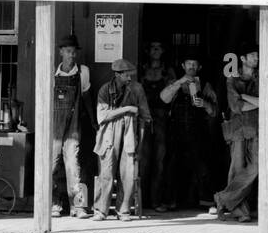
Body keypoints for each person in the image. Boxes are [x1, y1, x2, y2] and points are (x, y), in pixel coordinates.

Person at [93, 59, 151, 221]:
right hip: (108, 134)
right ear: (117, 74)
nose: (129, 77)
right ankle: (100, 211)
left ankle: (124, 211)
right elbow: (102, 116)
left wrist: (140, 144)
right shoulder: (105, 90)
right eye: (125, 74)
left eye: (130, 73)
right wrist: (127, 109)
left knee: (127, 174)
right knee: (106, 173)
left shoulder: (137, 89)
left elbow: (145, 117)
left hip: (129, 134)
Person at [162, 57, 219, 211]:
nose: (191, 66)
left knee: (203, 166)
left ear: (199, 67)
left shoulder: (205, 84)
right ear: (183, 65)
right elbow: (164, 98)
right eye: (188, 64)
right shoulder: (175, 83)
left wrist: (205, 104)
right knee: (172, 165)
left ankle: (207, 202)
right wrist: (179, 82)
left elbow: (214, 111)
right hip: (176, 131)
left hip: (198, 131)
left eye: (194, 64)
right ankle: (169, 202)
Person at [214, 44, 259, 222]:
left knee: (257, 167)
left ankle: (223, 198)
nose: (256, 58)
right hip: (238, 128)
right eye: (253, 55)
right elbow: (236, 106)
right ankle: (241, 212)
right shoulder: (232, 78)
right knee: (237, 169)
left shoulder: (260, 76)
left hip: (256, 127)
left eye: (257, 55)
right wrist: (257, 102)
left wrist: (245, 97)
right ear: (242, 58)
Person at [52, 34, 92, 219]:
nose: (72, 55)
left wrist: (93, 121)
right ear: (61, 52)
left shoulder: (82, 72)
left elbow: (86, 99)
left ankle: (78, 207)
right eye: (68, 51)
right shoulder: (53, 72)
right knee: (53, 165)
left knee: (73, 165)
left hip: (74, 125)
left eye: (74, 52)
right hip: (54, 126)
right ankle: (55, 204)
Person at [138, 40, 176, 211]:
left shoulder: (168, 71)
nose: (155, 50)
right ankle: (142, 200)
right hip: (144, 118)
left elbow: (172, 95)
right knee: (143, 160)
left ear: (163, 50)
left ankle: (156, 201)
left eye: (158, 47)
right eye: (152, 47)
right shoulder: (141, 69)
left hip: (161, 118)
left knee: (160, 161)